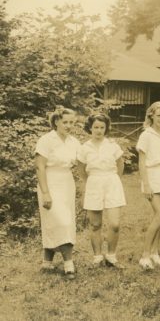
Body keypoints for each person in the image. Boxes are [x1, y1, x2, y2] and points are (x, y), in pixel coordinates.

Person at [35, 106, 80, 279]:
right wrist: (46, 192)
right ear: (56, 122)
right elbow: (39, 167)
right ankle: (69, 263)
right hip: (49, 182)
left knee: (60, 220)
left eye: (72, 122)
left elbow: (83, 161)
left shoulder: (74, 142)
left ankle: (47, 262)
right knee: (61, 220)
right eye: (65, 122)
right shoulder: (46, 140)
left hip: (67, 182)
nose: (69, 126)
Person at [77, 113, 126, 269]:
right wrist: (89, 184)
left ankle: (111, 256)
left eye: (102, 127)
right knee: (95, 224)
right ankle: (98, 257)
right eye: (96, 127)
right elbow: (81, 170)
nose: (99, 130)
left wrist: (114, 180)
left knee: (115, 223)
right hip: (93, 182)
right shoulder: (85, 148)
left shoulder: (113, 145)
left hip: (112, 181)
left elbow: (120, 165)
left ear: (106, 128)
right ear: (90, 128)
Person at [136, 101, 160, 270]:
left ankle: (155, 253)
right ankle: (144, 255)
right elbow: (142, 162)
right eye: (158, 115)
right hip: (152, 176)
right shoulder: (146, 135)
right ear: (151, 116)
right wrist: (146, 184)